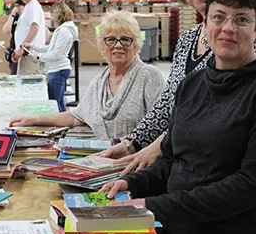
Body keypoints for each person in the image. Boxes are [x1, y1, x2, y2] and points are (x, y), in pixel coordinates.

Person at [102, 0, 256, 234]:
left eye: (241, 19)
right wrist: (132, 185)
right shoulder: (192, 85)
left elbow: (250, 185)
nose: (227, 28)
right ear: (205, 24)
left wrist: (150, 206)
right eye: (218, 17)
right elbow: (173, 158)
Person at [100, 0, 256, 174]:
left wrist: (159, 145)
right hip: (184, 162)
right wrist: (132, 143)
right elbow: (170, 102)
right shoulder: (188, 40)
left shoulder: (248, 35)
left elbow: (218, 111)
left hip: (226, 170)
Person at [10, 11, 164, 140]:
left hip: (137, 166)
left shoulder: (148, 76)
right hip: (104, 160)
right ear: (102, 45)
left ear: (136, 44)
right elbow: (76, 117)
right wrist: (34, 120)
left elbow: (163, 129)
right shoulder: (99, 83)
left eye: (125, 39)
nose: (118, 45)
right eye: (110, 39)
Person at [23, 1, 78, 112]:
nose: (51, 17)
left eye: (52, 14)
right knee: (59, 103)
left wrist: (38, 57)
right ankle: (64, 126)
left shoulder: (64, 32)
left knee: (55, 103)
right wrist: (33, 46)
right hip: (56, 70)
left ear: (58, 14)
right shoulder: (62, 30)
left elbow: (56, 54)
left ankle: (61, 126)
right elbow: (51, 48)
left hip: (59, 70)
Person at [12, 0, 46, 75]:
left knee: (28, 85)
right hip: (25, 54)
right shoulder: (28, 7)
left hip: (30, 55)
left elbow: (34, 29)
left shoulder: (33, 7)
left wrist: (22, 48)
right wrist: (18, 49)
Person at [3, 0, 25, 75]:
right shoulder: (15, 18)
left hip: (25, 51)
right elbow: (6, 30)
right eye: (16, 6)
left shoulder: (29, 18)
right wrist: (12, 15)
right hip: (14, 50)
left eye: (19, 6)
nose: (17, 8)